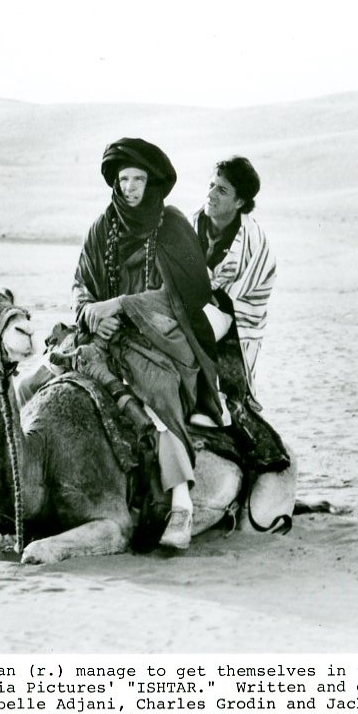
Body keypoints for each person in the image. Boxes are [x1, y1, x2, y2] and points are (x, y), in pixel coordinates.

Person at [72, 137, 225, 549]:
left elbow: (184, 296)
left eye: (138, 179)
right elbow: (80, 283)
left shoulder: (171, 226)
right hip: (106, 338)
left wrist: (121, 306)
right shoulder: (102, 227)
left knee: (157, 395)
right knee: (40, 382)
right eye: (123, 179)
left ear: (151, 182)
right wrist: (92, 314)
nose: (130, 188)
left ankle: (181, 505)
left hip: (163, 341)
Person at [191, 156, 276, 407]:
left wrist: (204, 290)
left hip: (234, 323)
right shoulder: (191, 224)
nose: (210, 194)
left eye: (222, 190)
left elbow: (240, 296)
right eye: (211, 185)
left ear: (239, 202)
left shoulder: (253, 243)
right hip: (194, 306)